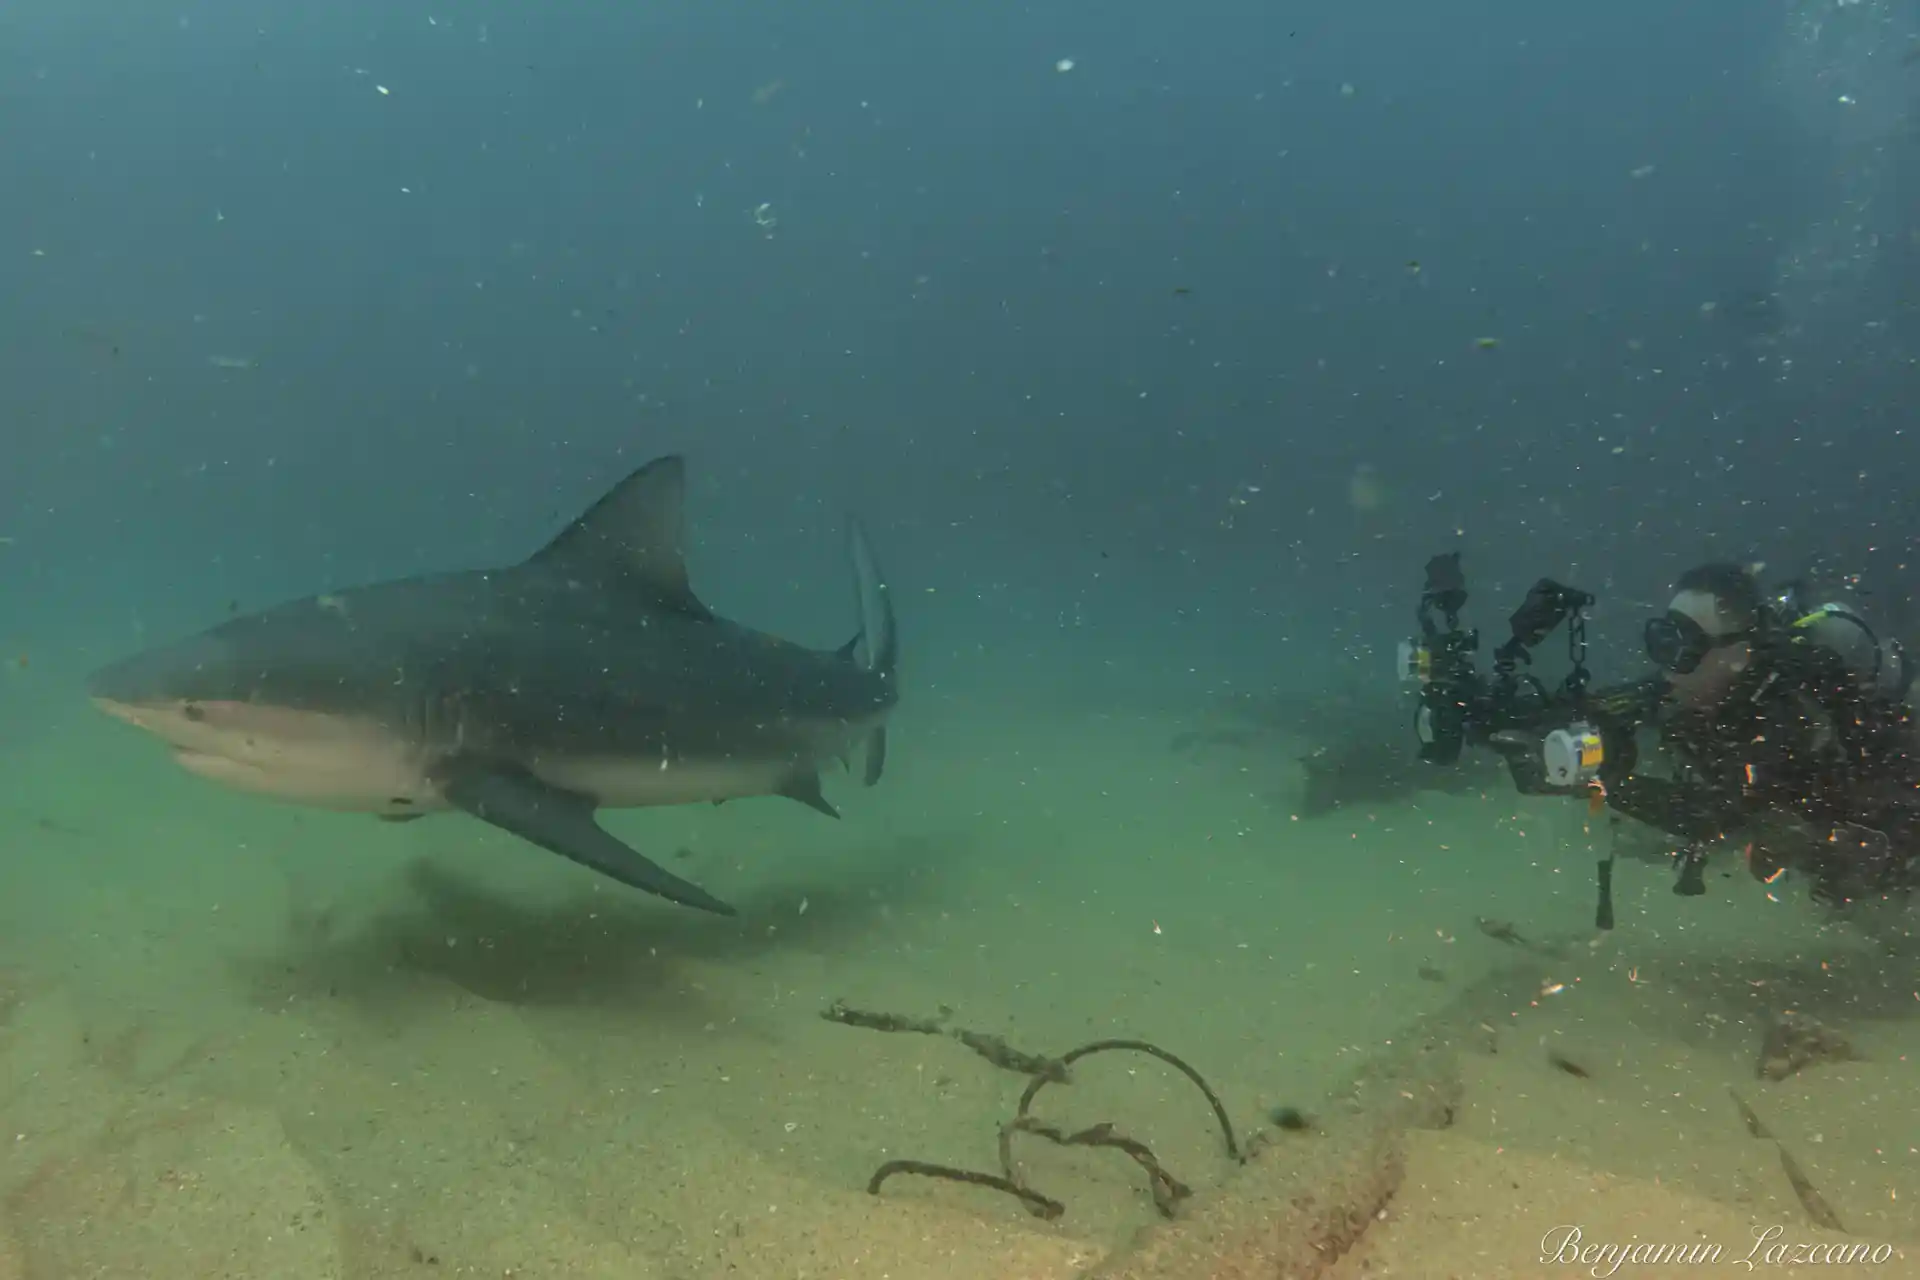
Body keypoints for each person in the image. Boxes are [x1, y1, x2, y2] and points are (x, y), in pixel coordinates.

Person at [1596, 561, 1919, 905]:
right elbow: (1626, 703)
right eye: (1664, 642)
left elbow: (1718, 813)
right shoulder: (1704, 684)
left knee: (1871, 885)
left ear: (1739, 650)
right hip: (1824, 819)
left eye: (1687, 647)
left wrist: (1601, 781)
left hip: (1894, 818)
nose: (1669, 664)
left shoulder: (1791, 709)